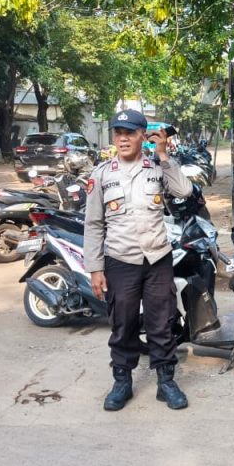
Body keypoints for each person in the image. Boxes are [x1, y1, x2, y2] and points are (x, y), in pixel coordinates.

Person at [84, 109, 194, 411]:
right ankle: (122, 382)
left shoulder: (157, 168)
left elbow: (184, 191)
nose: (123, 138)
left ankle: (166, 382)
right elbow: (93, 224)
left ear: (142, 136)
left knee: (162, 323)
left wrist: (164, 154)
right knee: (123, 324)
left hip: (157, 258)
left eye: (130, 132)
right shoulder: (102, 175)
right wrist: (95, 268)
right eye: (118, 132)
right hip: (120, 261)